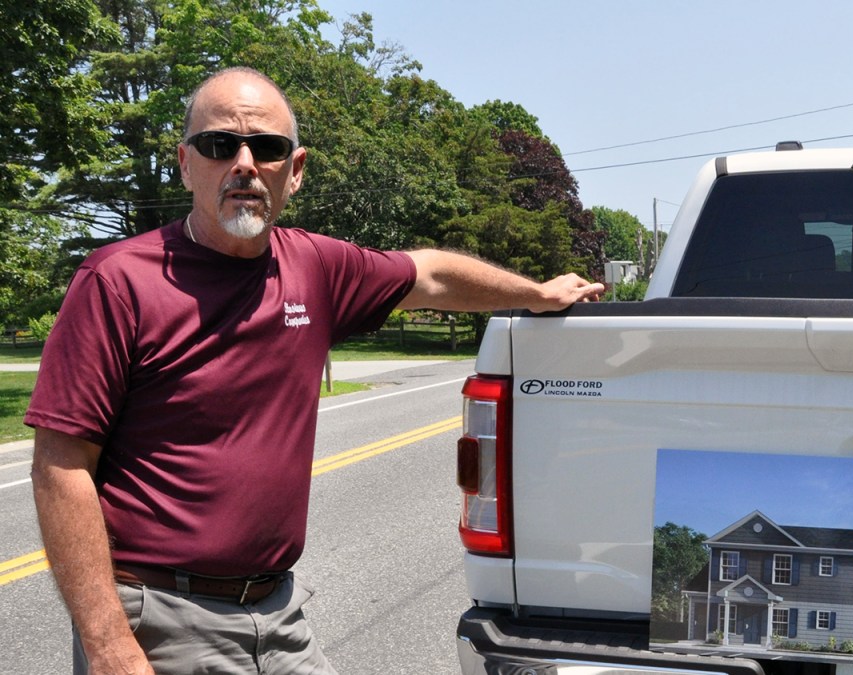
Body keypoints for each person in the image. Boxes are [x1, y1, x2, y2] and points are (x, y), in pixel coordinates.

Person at [25, 66, 604, 675]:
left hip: (279, 615)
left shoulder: (315, 268)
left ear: (294, 170)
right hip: (161, 621)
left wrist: (534, 293)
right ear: (186, 162)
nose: (244, 163)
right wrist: (110, 646)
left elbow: (429, 272)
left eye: (267, 147)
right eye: (220, 144)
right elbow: (60, 467)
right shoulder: (118, 281)